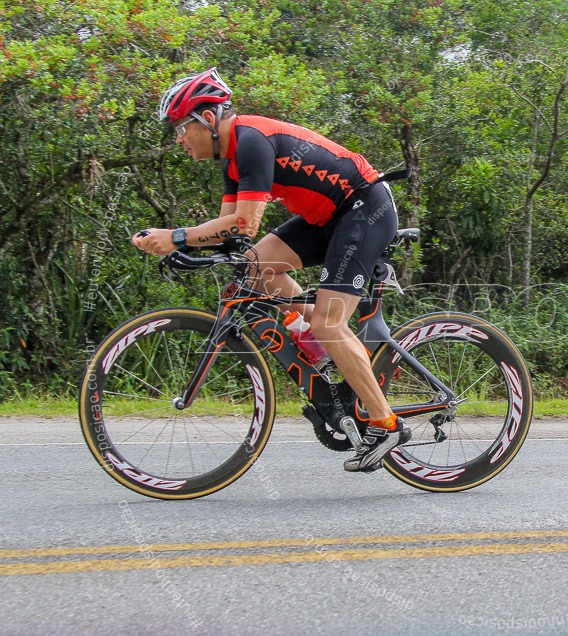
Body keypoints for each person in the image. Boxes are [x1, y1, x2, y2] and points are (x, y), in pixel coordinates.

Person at [132, 67, 410, 472]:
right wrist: (185, 245)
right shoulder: (233, 161)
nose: (178, 139)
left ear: (207, 119)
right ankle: (326, 356)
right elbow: (229, 234)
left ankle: (387, 425)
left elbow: (244, 224)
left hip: (364, 208)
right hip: (329, 218)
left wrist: (176, 236)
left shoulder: (250, 141)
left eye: (180, 128)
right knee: (254, 268)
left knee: (331, 324)